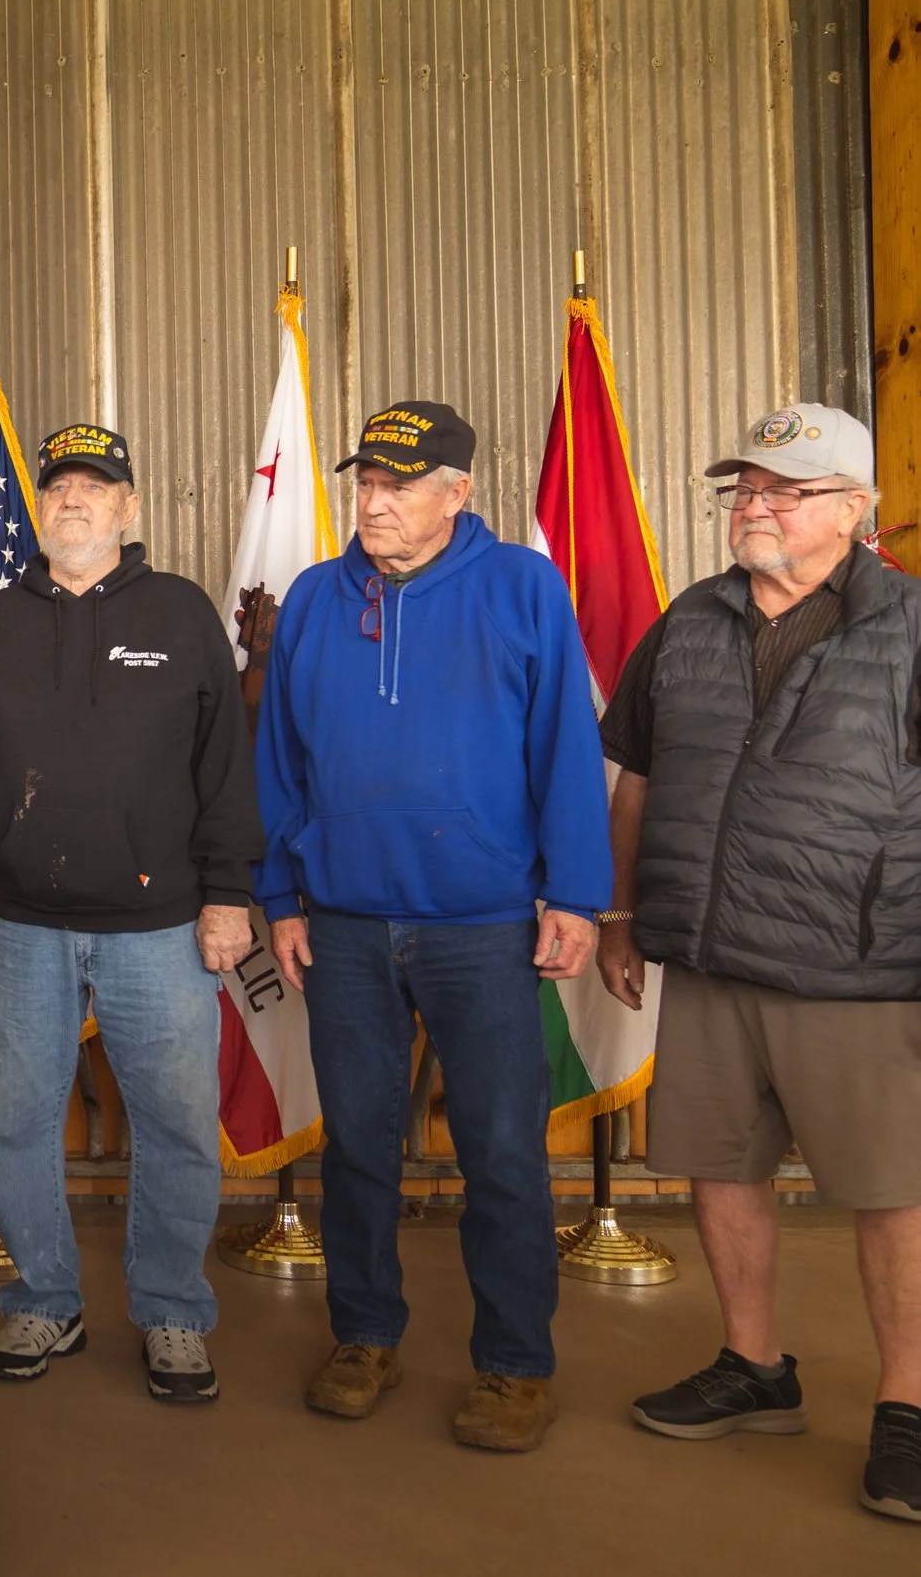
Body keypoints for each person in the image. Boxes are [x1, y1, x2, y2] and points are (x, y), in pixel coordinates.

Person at [255, 400, 609, 1452]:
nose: (372, 500)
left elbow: (564, 755)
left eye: (400, 484)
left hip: (484, 926)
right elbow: (278, 762)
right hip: (347, 925)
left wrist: (577, 895)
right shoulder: (317, 597)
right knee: (357, 1143)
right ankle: (363, 1332)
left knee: (501, 1149)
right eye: (364, 480)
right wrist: (279, 894)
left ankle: (512, 1363)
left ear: (458, 493)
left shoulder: (522, 587)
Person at [599, 405, 921, 1522]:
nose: (752, 506)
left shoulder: (911, 625)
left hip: (857, 965)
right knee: (720, 1167)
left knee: (891, 1189)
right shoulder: (691, 618)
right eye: (742, 487)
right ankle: (754, 1366)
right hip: (706, 952)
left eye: (780, 489)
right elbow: (635, 775)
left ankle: (909, 1408)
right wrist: (621, 909)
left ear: (850, 508)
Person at [0, 424, 262, 1397]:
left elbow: (226, 768)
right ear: (37, 508)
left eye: (95, 486)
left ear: (129, 507)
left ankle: (171, 1309)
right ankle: (46, 1296)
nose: (73, 500)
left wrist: (227, 894)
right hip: (16, 927)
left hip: (161, 926)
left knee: (174, 1120)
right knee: (17, 1122)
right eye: (58, 488)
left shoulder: (179, 613)